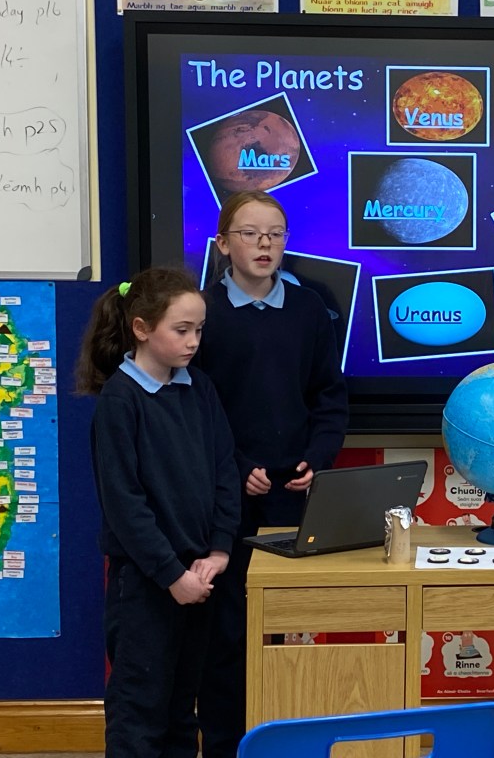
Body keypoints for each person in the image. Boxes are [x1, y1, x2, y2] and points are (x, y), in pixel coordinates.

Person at [194, 190, 349, 758]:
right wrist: (237, 469)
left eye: (275, 234)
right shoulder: (203, 314)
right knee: (226, 631)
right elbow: (197, 409)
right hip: (224, 500)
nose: (264, 244)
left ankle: (276, 743)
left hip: (291, 495)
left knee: (279, 628)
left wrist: (318, 457)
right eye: (250, 233)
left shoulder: (309, 309)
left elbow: (328, 396)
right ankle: (225, 745)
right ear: (222, 244)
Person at [75, 268, 240, 758]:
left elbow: (224, 471)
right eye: (181, 330)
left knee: (180, 713)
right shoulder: (120, 400)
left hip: (198, 575)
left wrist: (219, 550)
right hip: (146, 585)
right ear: (142, 329)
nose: (193, 342)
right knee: (139, 713)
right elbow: (124, 504)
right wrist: (171, 574)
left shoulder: (200, 388)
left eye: (199, 330)